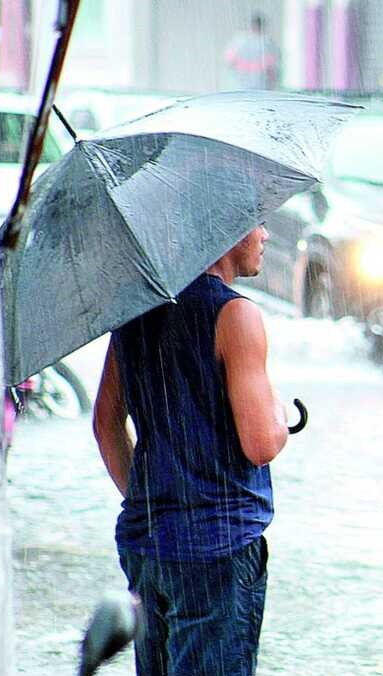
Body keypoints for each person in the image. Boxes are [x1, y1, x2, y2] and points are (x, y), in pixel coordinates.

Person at [93, 225, 289, 675]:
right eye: (257, 222)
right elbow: (261, 443)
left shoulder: (136, 309)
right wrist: (277, 413)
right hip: (217, 547)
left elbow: (106, 423)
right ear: (228, 229)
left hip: (147, 544)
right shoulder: (235, 314)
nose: (266, 234)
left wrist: (149, 500)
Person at [224, 12, 281, 90]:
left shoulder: (240, 41)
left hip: (243, 86)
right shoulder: (268, 44)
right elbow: (274, 69)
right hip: (259, 87)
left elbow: (229, 62)